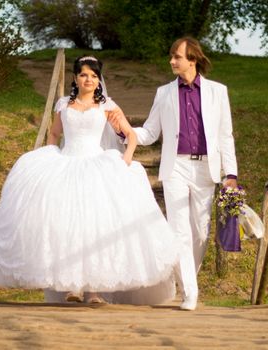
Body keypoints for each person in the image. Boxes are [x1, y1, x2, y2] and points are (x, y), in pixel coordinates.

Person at [0, 55, 180, 305]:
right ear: (75, 78)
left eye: (94, 76)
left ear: (99, 80)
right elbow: (54, 133)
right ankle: (72, 287)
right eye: (84, 75)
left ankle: (94, 291)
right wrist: (48, 156)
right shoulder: (63, 104)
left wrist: (127, 159)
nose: (89, 79)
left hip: (96, 164)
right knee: (67, 226)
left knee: (95, 226)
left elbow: (130, 136)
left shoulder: (107, 105)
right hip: (66, 164)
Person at [110, 37, 238, 310]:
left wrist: (232, 174)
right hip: (175, 166)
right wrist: (124, 129)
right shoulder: (164, 93)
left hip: (206, 168)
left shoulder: (218, 92)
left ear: (192, 59)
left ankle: (183, 278)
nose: (171, 61)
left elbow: (226, 135)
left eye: (177, 57)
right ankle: (190, 292)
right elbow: (151, 132)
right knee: (179, 231)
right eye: (171, 56)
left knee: (201, 233)